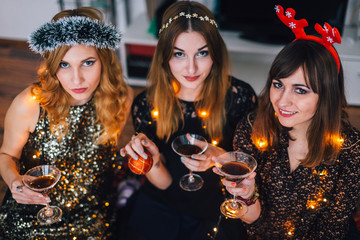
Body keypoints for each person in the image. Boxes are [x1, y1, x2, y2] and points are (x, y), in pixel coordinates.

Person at [214, 5, 360, 240]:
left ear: (327, 96)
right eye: (278, 84)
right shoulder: (252, 128)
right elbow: (250, 221)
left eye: (300, 90)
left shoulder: (350, 150)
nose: (282, 101)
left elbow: (332, 230)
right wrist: (247, 195)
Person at [119, 1, 257, 240]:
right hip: (162, 206)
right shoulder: (146, 104)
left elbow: (252, 174)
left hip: (219, 211)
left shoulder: (240, 97)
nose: (191, 67)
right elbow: (162, 184)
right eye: (179, 54)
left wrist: (220, 158)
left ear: (215, 52)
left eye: (202, 53)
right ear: (165, 56)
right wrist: (151, 161)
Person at [0, 7, 133, 239]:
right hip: (35, 213)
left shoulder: (121, 98)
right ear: (53, 66)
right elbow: (6, 156)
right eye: (64, 64)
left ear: (104, 60)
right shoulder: (30, 104)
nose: (76, 79)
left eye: (88, 62)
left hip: (94, 212)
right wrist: (15, 182)